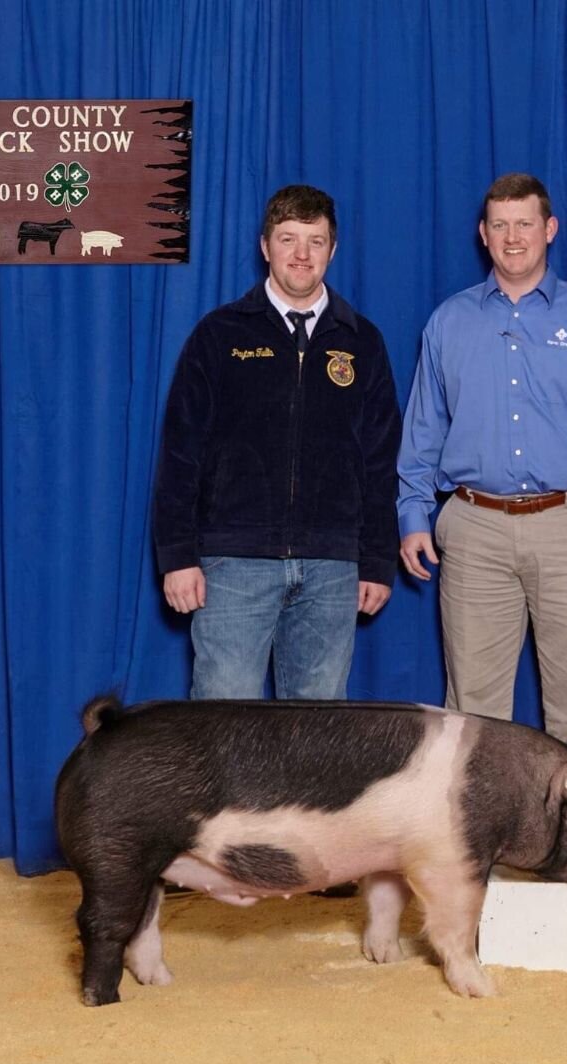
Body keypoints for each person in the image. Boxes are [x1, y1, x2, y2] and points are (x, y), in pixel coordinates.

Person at [396, 173, 567, 819]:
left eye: (524, 224)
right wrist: (412, 513)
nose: (512, 237)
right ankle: (476, 849)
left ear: (549, 230)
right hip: (474, 528)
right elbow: (423, 426)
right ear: (483, 236)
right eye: (499, 225)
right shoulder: (450, 321)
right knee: (474, 708)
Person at [153, 184, 401, 701]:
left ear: (333, 249)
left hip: (333, 568)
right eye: (288, 239)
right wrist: (177, 556)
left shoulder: (362, 342)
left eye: (316, 240)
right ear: (265, 246)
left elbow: (380, 463)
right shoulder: (219, 335)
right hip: (233, 564)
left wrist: (377, 560)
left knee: (315, 742)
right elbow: (180, 454)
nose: (302, 254)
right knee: (224, 733)